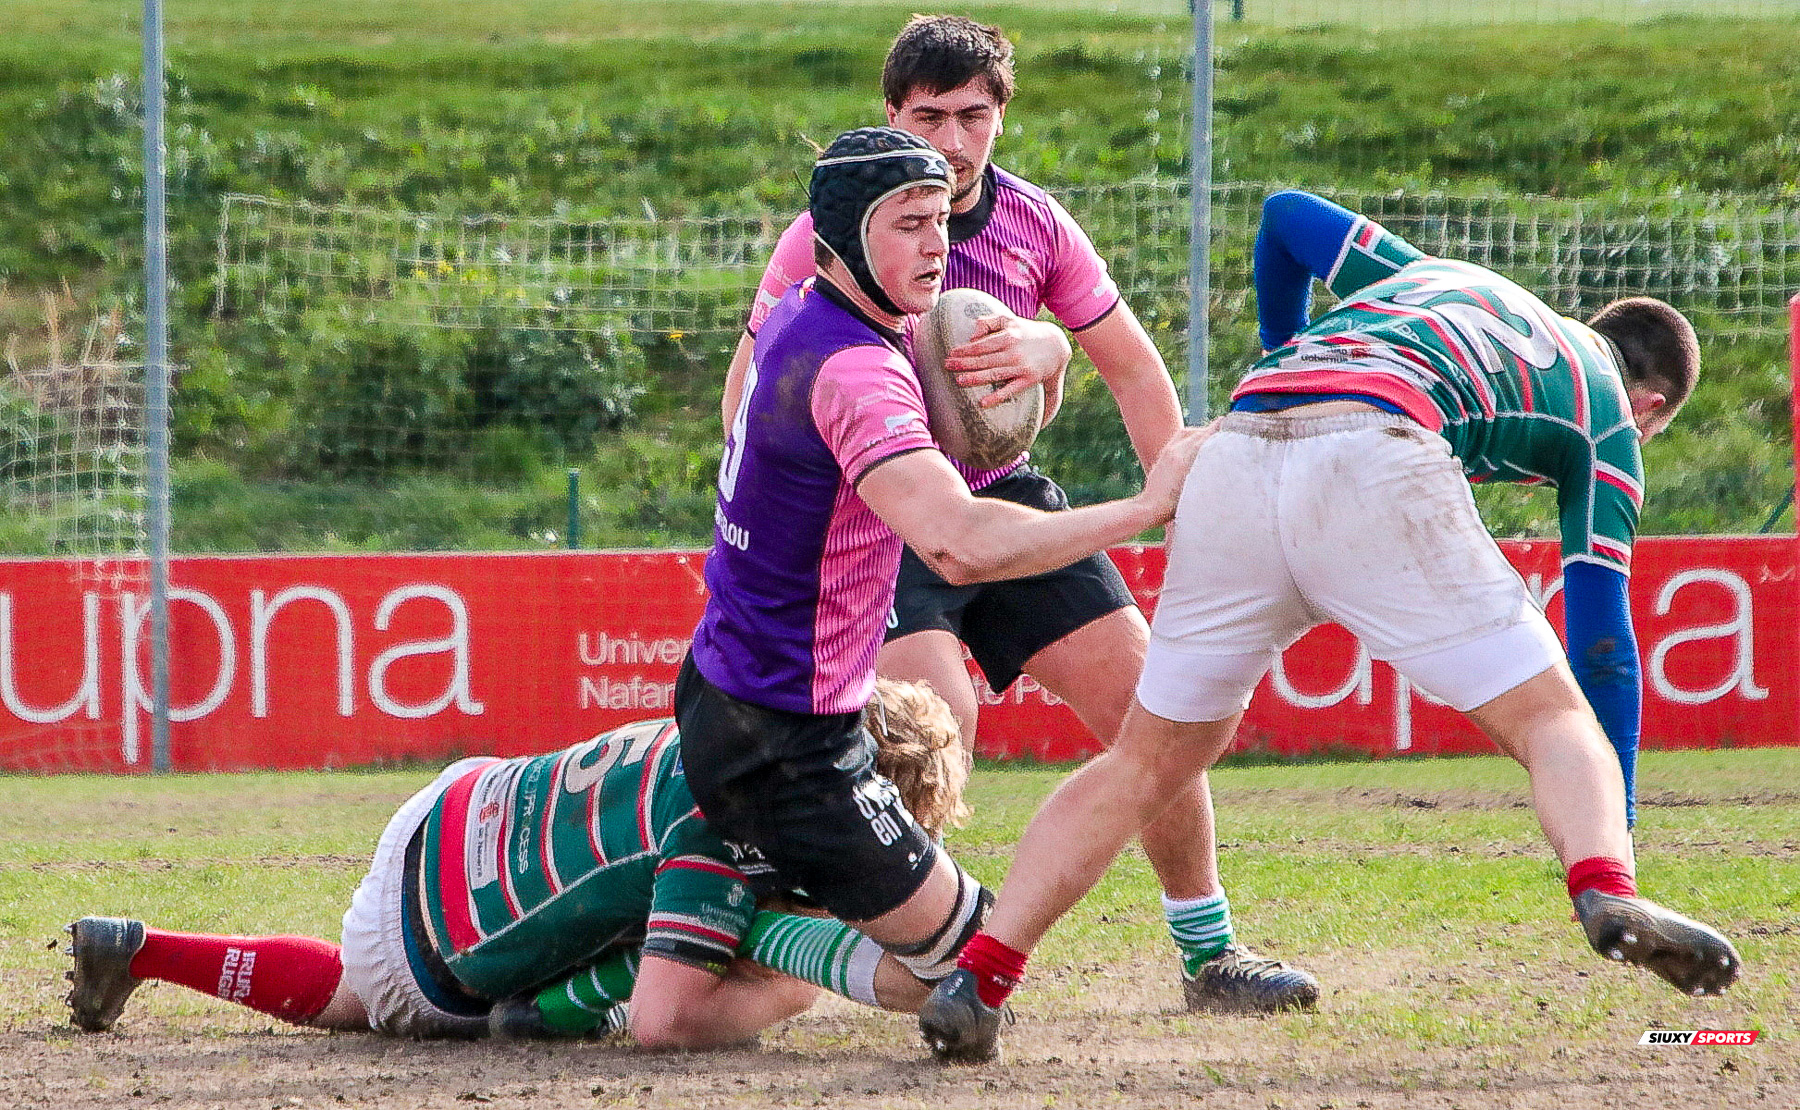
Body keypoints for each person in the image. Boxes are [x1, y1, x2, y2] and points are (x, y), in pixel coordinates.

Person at [917, 189, 1744, 1063]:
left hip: (1240, 441)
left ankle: (983, 975)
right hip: (1377, 449)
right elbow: (1606, 647)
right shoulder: (1610, 413)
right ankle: (1608, 890)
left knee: (1144, 761)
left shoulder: (1439, 278)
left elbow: (1283, 218)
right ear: (1652, 406)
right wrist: (1612, 822)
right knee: (1554, 718)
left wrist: (1282, 347)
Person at [721, 14, 1318, 1014]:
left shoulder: (1035, 222)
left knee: (1153, 712)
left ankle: (1209, 951)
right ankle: (912, 950)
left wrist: (1175, 493)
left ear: (1002, 118)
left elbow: (1130, 366)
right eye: (929, 117)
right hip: (888, 522)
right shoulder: (828, 229)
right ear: (892, 117)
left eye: (974, 116)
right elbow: (755, 382)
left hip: (1011, 507)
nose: (953, 143)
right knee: (931, 730)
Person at [680, 124, 1209, 1018]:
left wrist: (1050, 350)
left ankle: (678, 947)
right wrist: (1147, 506)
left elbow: (1003, 357)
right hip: (795, 743)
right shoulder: (857, 371)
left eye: (940, 221)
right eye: (909, 225)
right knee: (977, 963)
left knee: (670, 1024)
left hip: (724, 694)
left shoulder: (806, 317)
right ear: (843, 238)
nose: (938, 245)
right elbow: (957, 540)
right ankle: (751, 933)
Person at [64, 680, 971, 1048]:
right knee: (728, 955)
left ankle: (143, 948)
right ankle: (532, 1014)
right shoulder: (734, 834)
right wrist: (795, 985)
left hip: (451, 809)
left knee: (715, 923)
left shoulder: (735, 736)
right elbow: (667, 1023)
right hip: (433, 952)